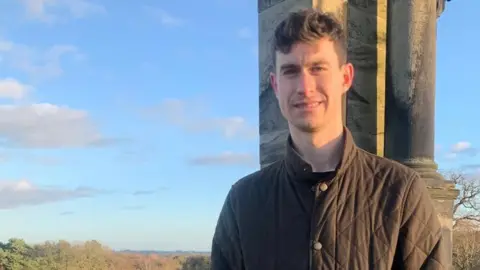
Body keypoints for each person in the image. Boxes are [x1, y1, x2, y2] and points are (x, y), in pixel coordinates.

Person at [211, 8, 447, 270]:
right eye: (290, 71)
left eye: (318, 68)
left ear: (345, 77)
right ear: (276, 86)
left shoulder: (401, 194)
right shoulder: (243, 203)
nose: (304, 87)